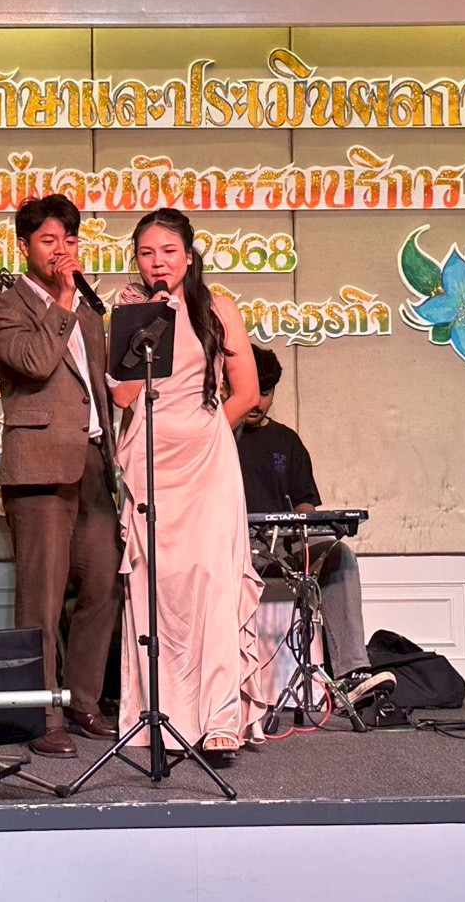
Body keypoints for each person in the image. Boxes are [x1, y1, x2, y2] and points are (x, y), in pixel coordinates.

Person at [112, 208, 269, 759]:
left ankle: (221, 716)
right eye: (147, 253)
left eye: (168, 251)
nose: (158, 262)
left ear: (189, 254)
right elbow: (122, 396)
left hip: (206, 461)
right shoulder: (130, 310)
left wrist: (205, 431)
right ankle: (159, 714)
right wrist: (148, 321)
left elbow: (246, 393)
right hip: (150, 457)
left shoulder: (218, 308)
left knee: (211, 580)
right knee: (156, 585)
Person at [0, 194, 121, 759]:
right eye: (48, 240)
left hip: (93, 461)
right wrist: (63, 298)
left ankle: (83, 699)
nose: (62, 250)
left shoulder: (88, 310)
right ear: (24, 247)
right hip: (38, 464)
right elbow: (37, 363)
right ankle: (41, 713)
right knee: (41, 597)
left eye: (69, 239)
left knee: (105, 583)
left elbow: (97, 386)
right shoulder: (3, 307)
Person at [234, 346, 393, 709]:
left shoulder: (286, 441)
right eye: (252, 391)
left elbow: (305, 504)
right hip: (230, 546)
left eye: (266, 393)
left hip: (281, 546)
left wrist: (312, 530)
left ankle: (352, 674)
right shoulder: (218, 436)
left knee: (339, 555)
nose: (257, 402)